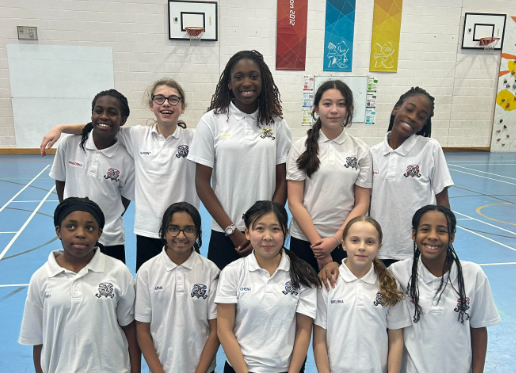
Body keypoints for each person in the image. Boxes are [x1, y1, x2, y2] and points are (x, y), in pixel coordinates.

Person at [320, 206, 501, 373]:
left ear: (452, 236)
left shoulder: (473, 275)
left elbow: (479, 330)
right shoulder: (399, 273)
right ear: (414, 234)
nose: (433, 236)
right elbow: (363, 267)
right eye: (425, 229)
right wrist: (333, 266)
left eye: (442, 230)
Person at [19, 197, 145, 373]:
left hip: (110, 372)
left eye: (89, 228)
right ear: (58, 231)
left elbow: (130, 331)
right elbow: (37, 341)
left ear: (99, 233)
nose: (80, 233)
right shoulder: (41, 278)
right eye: (71, 226)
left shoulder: (117, 271)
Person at [40, 78, 198, 270]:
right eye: (159, 98)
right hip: (148, 228)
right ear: (151, 105)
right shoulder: (137, 135)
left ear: (183, 107)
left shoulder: (195, 138)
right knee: (148, 282)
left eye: (173, 99)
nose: (166, 103)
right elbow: (100, 126)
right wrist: (61, 128)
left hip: (184, 227)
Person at [214, 201, 318, 373]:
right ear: (247, 232)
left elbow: (304, 331)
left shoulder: (302, 273)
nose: (268, 236)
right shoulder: (233, 272)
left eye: (275, 229)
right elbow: (224, 330)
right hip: (244, 372)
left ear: (286, 231)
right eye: (259, 228)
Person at [302, 216, 410, 373]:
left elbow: (396, 340)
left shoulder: (388, 284)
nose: (362, 247)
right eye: (355, 240)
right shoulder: (328, 282)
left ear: (379, 246)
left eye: (369, 242)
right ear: (343, 244)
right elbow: (319, 341)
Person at [188, 50, 292, 270]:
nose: (246, 83)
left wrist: (267, 227)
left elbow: (283, 181)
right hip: (225, 232)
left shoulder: (277, 124)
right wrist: (231, 230)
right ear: (229, 83)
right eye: (239, 77)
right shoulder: (211, 121)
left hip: (265, 236)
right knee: (224, 291)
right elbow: (202, 183)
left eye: (254, 76)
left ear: (263, 82)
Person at [135, 202, 220, 373]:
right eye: (173, 228)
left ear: (198, 233)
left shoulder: (210, 271)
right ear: (163, 231)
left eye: (189, 229)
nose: (181, 235)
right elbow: (142, 331)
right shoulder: (147, 271)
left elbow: (216, 331)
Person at [287, 80, 372, 272]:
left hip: (345, 241)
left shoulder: (361, 150)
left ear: (350, 109)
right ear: (316, 108)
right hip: (305, 239)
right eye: (327, 104)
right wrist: (319, 247)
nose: (334, 110)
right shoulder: (299, 148)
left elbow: (362, 203)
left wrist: (335, 240)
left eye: (341, 104)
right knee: (306, 290)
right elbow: (294, 202)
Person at [369, 87, 453, 267]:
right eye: (409, 109)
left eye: (421, 117)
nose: (413, 117)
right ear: (396, 109)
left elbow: (442, 201)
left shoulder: (430, 148)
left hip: (417, 249)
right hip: (379, 247)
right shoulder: (372, 154)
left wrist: (445, 244)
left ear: (424, 124)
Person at [48, 89, 135, 263]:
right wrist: (69, 214)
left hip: (110, 237)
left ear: (123, 120)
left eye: (112, 113)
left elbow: (125, 199)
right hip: (75, 235)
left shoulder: (127, 158)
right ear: (92, 114)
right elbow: (61, 181)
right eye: (98, 111)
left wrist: (107, 220)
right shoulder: (69, 144)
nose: (104, 116)